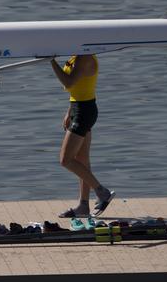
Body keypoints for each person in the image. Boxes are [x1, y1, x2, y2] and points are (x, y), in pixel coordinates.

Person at [50, 54, 115, 218]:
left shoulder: (84, 58)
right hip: (78, 108)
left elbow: (69, 82)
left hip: (85, 111)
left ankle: (102, 192)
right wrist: (70, 110)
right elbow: (77, 88)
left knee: (65, 160)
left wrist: (50, 61)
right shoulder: (76, 56)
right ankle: (83, 206)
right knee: (82, 160)